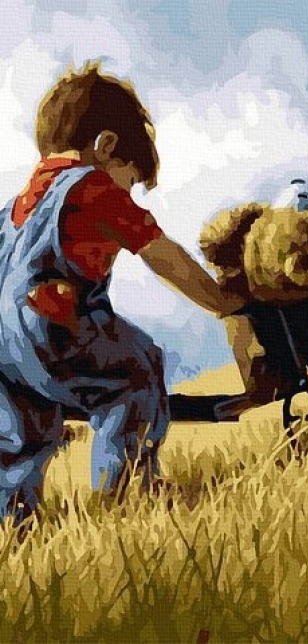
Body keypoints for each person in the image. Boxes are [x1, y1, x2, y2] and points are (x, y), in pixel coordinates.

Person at [0, 63, 244, 523]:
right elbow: (161, 254)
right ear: (106, 146)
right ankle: (128, 491)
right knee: (135, 373)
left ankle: (12, 521)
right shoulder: (92, 186)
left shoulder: (13, 210)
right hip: (54, 327)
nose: (128, 193)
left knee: (19, 436)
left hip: (4, 349)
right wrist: (220, 302)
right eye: (129, 181)